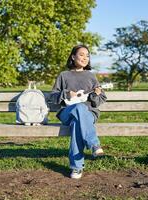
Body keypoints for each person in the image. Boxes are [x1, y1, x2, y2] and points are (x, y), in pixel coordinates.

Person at [50, 44, 107, 179]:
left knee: (78, 122)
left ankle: (76, 168)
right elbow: (53, 96)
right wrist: (66, 94)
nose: (85, 58)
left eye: (87, 55)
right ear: (73, 57)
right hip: (67, 113)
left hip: (88, 114)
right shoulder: (64, 75)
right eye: (81, 54)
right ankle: (93, 144)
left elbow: (100, 99)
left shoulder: (91, 76)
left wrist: (95, 95)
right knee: (79, 109)